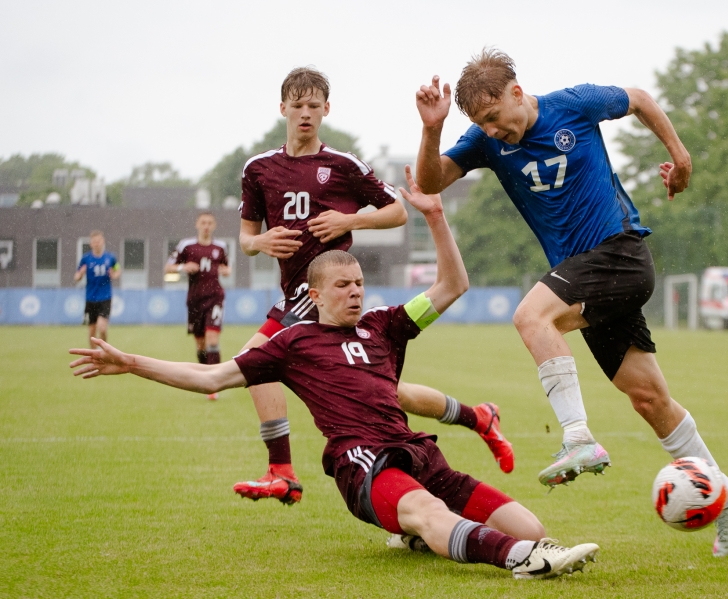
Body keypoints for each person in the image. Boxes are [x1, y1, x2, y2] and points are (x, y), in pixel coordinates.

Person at [69, 170, 598, 580]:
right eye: (343, 285)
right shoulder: (292, 343)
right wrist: (131, 362)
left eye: (359, 283)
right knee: (436, 513)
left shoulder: (384, 325)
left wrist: (435, 216)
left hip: (417, 453)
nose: (355, 292)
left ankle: (438, 537)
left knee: (531, 526)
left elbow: (452, 286)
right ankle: (520, 561)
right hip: (365, 464)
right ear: (315, 295)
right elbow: (211, 378)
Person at [414, 48, 728, 557]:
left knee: (531, 316)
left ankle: (577, 437)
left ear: (516, 92)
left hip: (620, 253)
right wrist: (433, 129)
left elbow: (639, 99)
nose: (492, 129)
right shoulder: (486, 142)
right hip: (587, 277)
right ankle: (726, 495)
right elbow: (429, 182)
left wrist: (681, 158)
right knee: (649, 399)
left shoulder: (573, 104)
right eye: (481, 123)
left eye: (494, 116)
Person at [234, 66, 513, 506]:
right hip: (294, 296)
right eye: (298, 105)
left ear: (326, 109)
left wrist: (350, 220)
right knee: (387, 394)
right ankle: (478, 417)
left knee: (255, 360)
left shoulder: (342, 165)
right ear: (282, 107)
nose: (305, 113)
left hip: (322, 297)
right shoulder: (259, 169)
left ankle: (281, 471)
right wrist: (259, 242)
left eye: (314, 106)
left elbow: (397, 212)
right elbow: (246, 239)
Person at [164, 212, 231, 400]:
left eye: (210, 222)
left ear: (214, 225)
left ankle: (214, 384)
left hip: (215, 297)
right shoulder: (186, 246)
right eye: (203, 222)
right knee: (200, 344)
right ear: (197, 224)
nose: (206, 226)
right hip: (195, 300)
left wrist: (226, 271)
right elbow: (168, 267)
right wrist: (182, 267)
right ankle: (204, 378)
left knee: (212, 340)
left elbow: (227, 267)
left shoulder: (220, 247)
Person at [74, 230, 120, 349]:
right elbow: (76, 277)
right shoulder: (86, 259)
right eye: (94, 242)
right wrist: (80, 274)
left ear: (103, 241)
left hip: (105, 297)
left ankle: (104, 351)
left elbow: (118, 270)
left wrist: (114, 274)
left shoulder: (110, 258)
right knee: (92, 332)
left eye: (98, 241)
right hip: (90, 298)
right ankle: (94, 356)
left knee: (102, 328)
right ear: (91, 243)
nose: (97, 244)